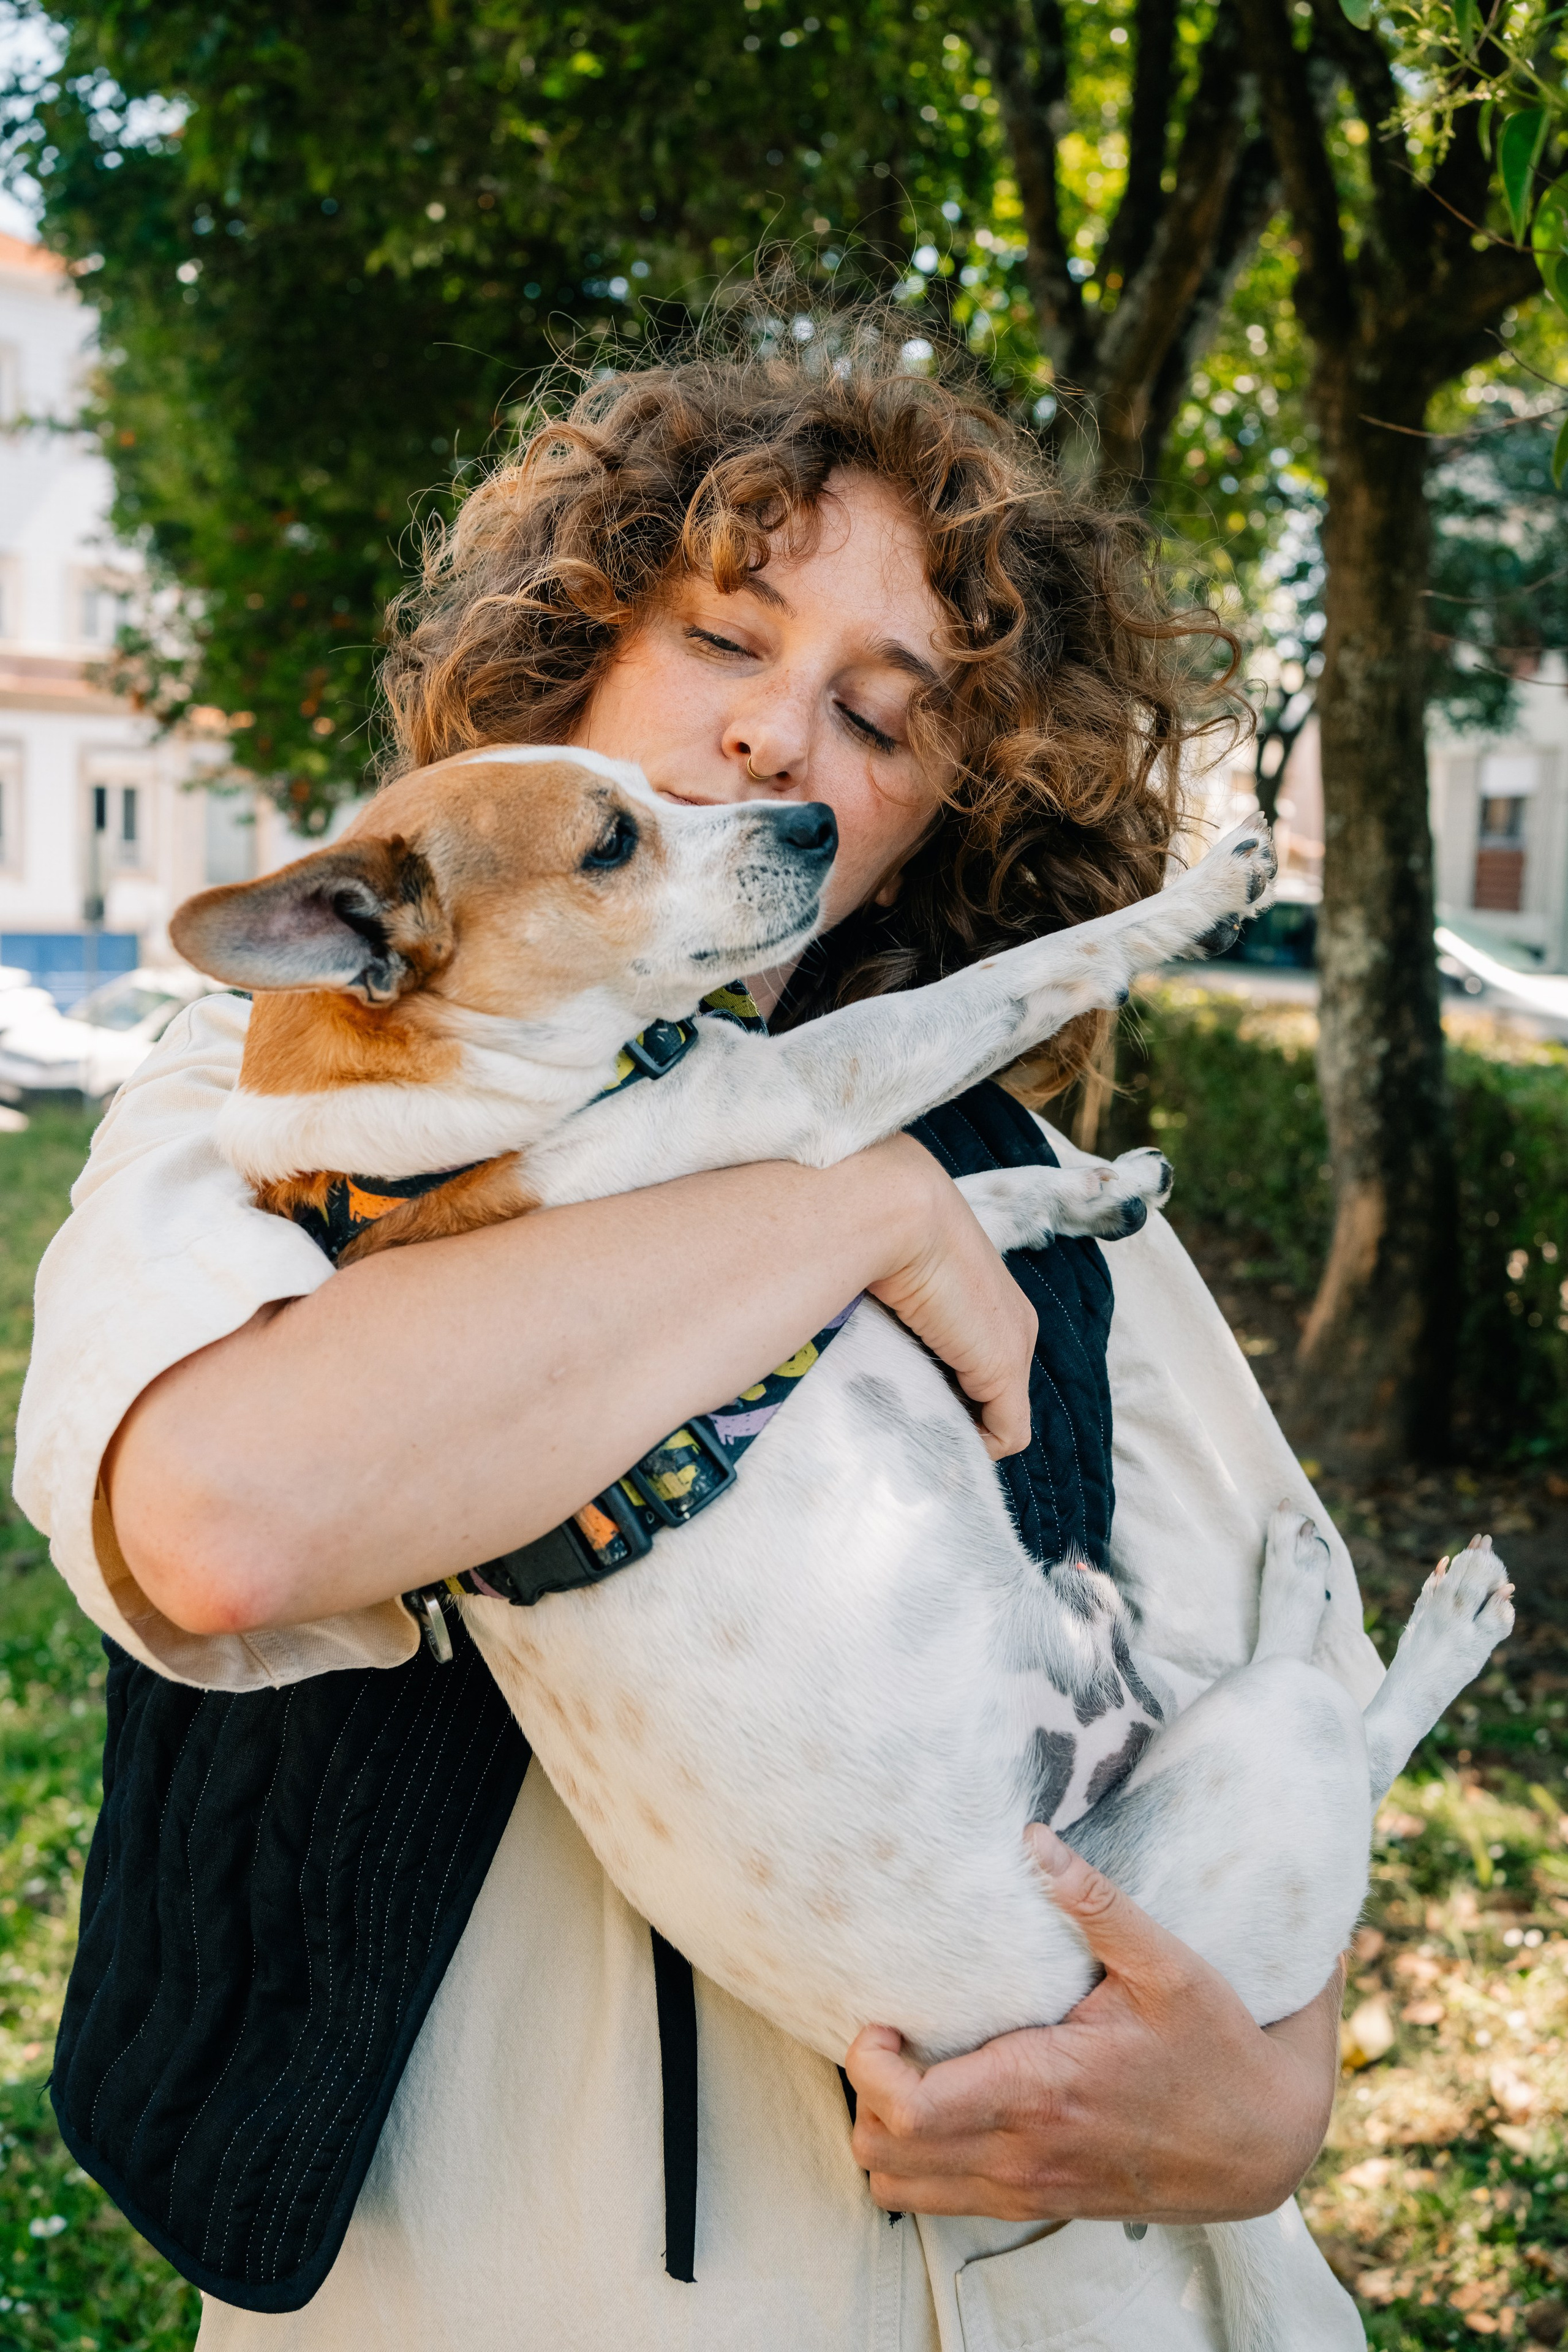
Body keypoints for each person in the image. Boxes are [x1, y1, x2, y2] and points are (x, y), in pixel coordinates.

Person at [16, 323, 1378, 2350]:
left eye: (881, 718)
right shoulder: (272, 1111)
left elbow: (1278, 1680)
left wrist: (1267, 2106)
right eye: (725, 641)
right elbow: (226, 1517)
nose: (774, 739)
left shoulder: (1056, 1204)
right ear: (572, 664)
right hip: (476, 2280)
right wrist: (852, 1211)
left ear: (940, 817)